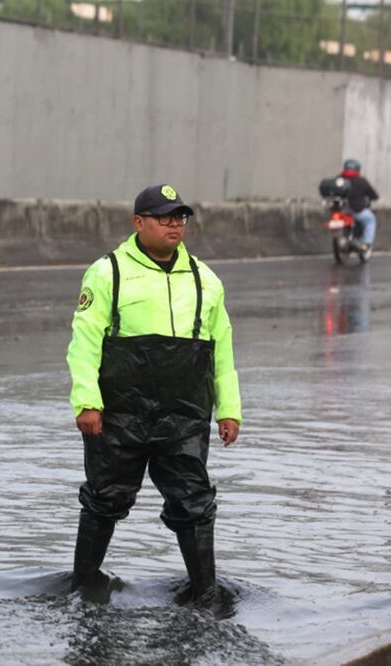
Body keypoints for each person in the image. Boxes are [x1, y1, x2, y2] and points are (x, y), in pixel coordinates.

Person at [66, 184, 242, 610]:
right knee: (105, 498)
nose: (174, 225)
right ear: (138, 222)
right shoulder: (108, 272)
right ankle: (83, 588)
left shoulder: (206, 280)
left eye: (179, 218)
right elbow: (85, 340)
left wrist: (229, 409)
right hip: (119, 415)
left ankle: (206, 596)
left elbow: (221, 349)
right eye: (164, 217)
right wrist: (87, 402)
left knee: (195, 503)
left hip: (183, 417)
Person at [339, 159, 379, 253]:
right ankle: (366, 244)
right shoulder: (361, 181)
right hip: (357, 211)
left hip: (341, 211)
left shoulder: (339, 180)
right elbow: (374, 195)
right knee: (371, 220)